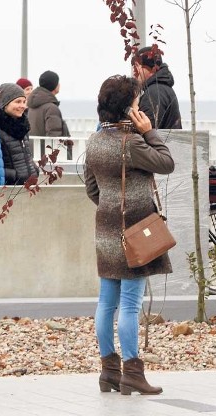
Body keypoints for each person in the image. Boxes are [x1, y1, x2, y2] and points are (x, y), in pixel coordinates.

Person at [84, 75, 174, 395]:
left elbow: (92, 188)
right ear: (127, 108)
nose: (140, 107)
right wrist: (149, 131)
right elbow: (166, 162)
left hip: (105, 228)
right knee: (131, 305)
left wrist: (110, 204)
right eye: (137, 102)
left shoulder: (94, 142)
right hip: (136, 230)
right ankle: (133, 372)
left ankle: (109, 370)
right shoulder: (132, 143)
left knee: (106, 302)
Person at [0, 83, 39, 185]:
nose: (22, 106)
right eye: (18, 102)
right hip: (10, 189)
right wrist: (16, 176)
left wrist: (34, 169)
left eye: (24, 101)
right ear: (5, 104)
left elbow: (26, 156)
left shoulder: (23, 127)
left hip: (28, 185)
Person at [132, 46, 182, 129]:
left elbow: (146, 132)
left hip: (160, 141)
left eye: (137, 66)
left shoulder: (153, 93)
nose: (134, 71)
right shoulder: (162, 88)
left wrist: (133, 108)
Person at [27, 70, 71, 158]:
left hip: (35, 154)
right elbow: (54, 137)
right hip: (47, 160)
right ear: (54, 85)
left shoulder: (32, 105)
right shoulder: (51, 108)